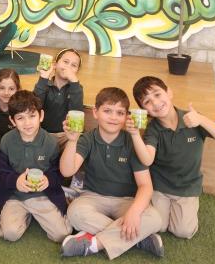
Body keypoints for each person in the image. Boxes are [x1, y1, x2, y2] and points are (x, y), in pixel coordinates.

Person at [59, 87, 165, 259]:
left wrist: (133, 213)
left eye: (120, 113)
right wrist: (72, 141)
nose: (113, 117)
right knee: (74, 213)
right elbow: (66, 171)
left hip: (126, 200)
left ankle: (94, 243)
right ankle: (139, 238)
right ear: (95, 112)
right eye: (107, 111)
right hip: (92, 197)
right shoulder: (87, 139)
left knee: (155, 218)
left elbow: (145, 186)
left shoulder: (133, 142)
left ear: (126, 117)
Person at [131, 76, 215, 239]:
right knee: (159, 226)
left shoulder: (192, 119)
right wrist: (135, 134)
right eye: (147, 102)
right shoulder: (153, 130)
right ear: (145, 110)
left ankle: (184, 209)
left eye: (157, 94)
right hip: (160, 187)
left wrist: (201, 119)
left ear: (169, 92)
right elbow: (148, 160)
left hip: (187, 187)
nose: (155, 103)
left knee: (183, 231)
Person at [0, 90, 71, 242]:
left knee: (61, 234)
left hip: (43, 195)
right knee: (10, 234)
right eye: (20, 118)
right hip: (15, 196)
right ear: (12, 120)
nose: (27, 123)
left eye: (32, 116)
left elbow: (58, 173)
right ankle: (26, 216)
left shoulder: (50, 142)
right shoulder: (7, 141)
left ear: (41, 116)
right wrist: (16, 180)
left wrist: (48, 180)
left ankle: (38, 213)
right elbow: (0, 172)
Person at [33, 49, 84, 144]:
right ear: (55, 64)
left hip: (67, 135)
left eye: (73, 65)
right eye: (65, 62)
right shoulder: (43, 85)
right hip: (44, 135)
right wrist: (43, 78)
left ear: (77, 71)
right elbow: (34, 107)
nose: (68, 67)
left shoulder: (76, 88)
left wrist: (74, 82)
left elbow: (76, 114)